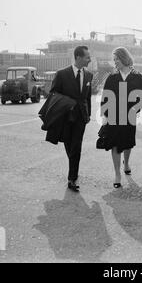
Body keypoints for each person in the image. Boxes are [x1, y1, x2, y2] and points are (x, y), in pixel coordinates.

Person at [100, 47, 142, 188]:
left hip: (129, 115)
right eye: (114, 60)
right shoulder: (112, 77)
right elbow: (105, 96)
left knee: (127, 142)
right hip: (113, 115)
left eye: (117, 59)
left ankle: (126, 162)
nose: (115, 62)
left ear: (124, 58)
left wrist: (136, 109)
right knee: (115, 143)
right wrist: (105, 116)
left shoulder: (137, 76)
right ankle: (117, 174)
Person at [50, 46, 93, 192]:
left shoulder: (89, 75)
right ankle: (73, 168)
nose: (90, 59)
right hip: (65, 117)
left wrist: (89, 114)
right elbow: (53, 94)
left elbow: (87, 97)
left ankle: (72, 178)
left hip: (81, 117)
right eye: (87, 57)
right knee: (69, 145)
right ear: (78, 57)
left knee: (76, 146)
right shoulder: (61, 74)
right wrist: (67, 104)